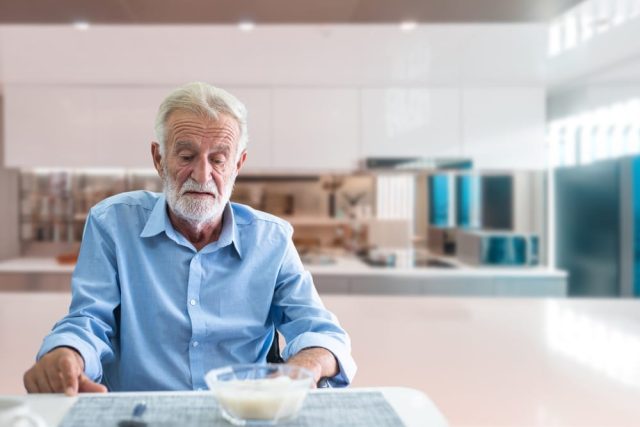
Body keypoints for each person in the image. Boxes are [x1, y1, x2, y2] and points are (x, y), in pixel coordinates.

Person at [23, 82, 356, 395]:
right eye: (186, 157)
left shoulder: (272, 239)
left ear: (238, 164)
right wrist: (67, 352)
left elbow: (322, 332)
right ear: (158, 159)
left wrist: (300, 369)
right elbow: (89, 320)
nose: (202, 175)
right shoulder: (112, 224)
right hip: (141, 416)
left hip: (241, 413)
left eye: (218, 159)